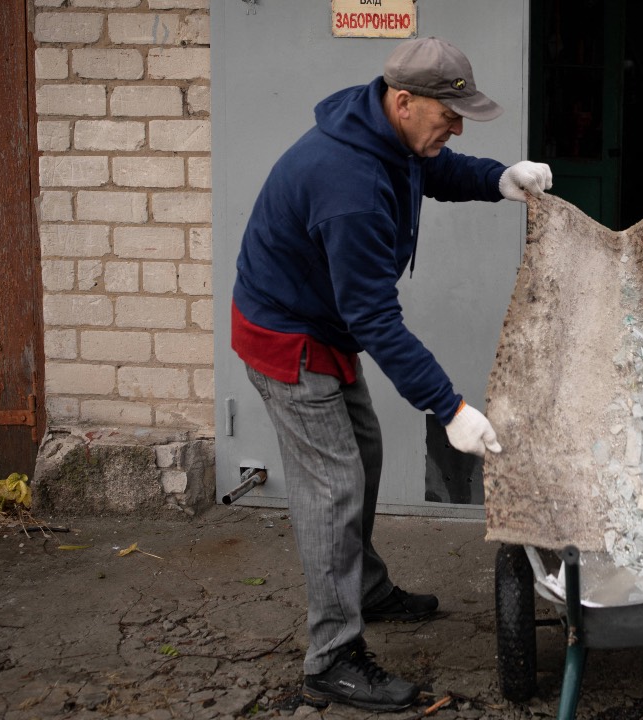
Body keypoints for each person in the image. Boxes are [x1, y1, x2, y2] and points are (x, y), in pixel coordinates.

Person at [231, 37, 551, 712]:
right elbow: (376, 321)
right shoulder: (349, 185)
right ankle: (332, 657)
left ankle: (364, 588)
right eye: (450, 114)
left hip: (319, 324)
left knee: (364, 456)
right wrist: (451, 407)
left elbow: (433, 170)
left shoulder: (386, 132)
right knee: (334, 490)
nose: (458, 126)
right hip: (287, 336)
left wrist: (498, 180)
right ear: (404, 102)